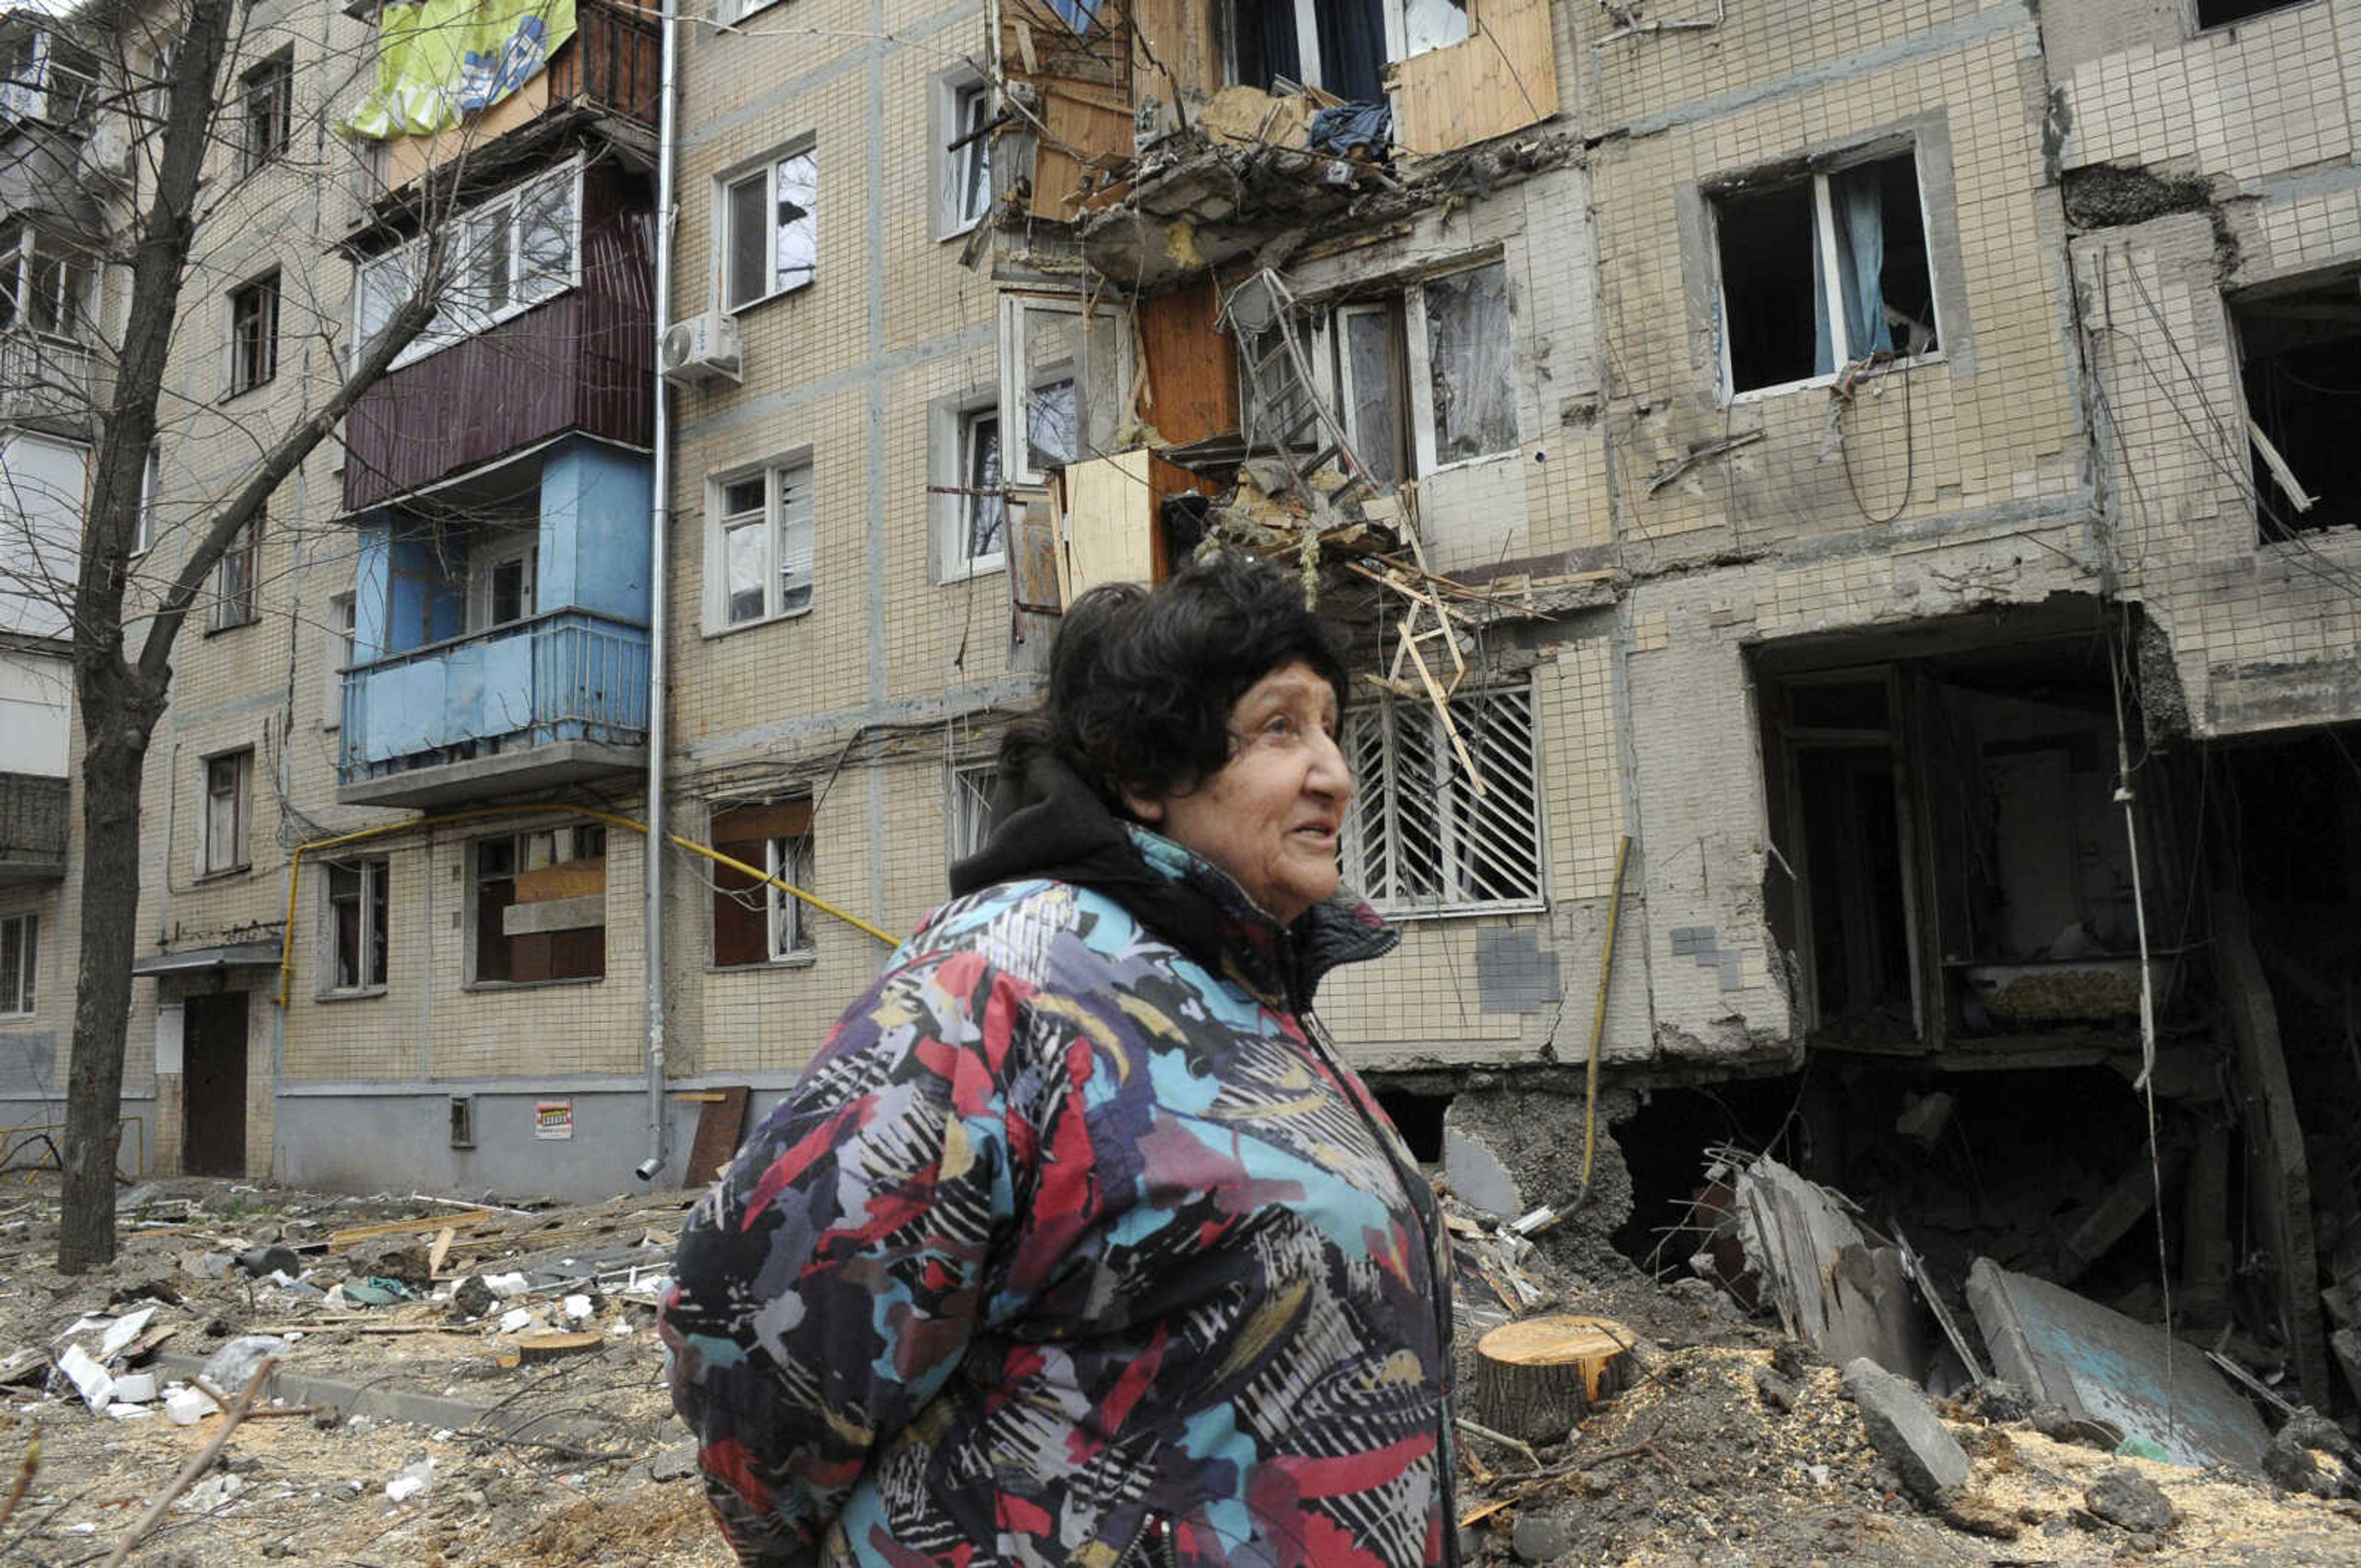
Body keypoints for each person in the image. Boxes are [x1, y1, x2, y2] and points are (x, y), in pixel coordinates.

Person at [660, 552, 1455, 1567]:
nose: (1335, 774)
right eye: (1279, 728)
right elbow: (754, 1324)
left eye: (1333, 731)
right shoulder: (1010, 979)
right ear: (1145, 773)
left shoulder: (1242, 985)